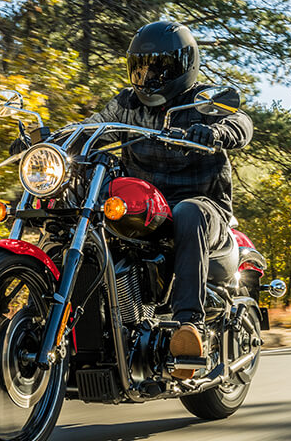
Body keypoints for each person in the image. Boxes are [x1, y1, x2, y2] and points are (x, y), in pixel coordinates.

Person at [84, 20, 253, 377]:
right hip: (144, 206)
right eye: (141, 67)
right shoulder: (126, 105)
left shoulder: (202, 101)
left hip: (201, 205)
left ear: (184, 65)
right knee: (91, 214)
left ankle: (188, 326)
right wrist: (51, 140)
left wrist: (216, 132)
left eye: (160, 67)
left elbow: (241, 124)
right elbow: (90, 127)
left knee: (188, 212)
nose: (149, 76)